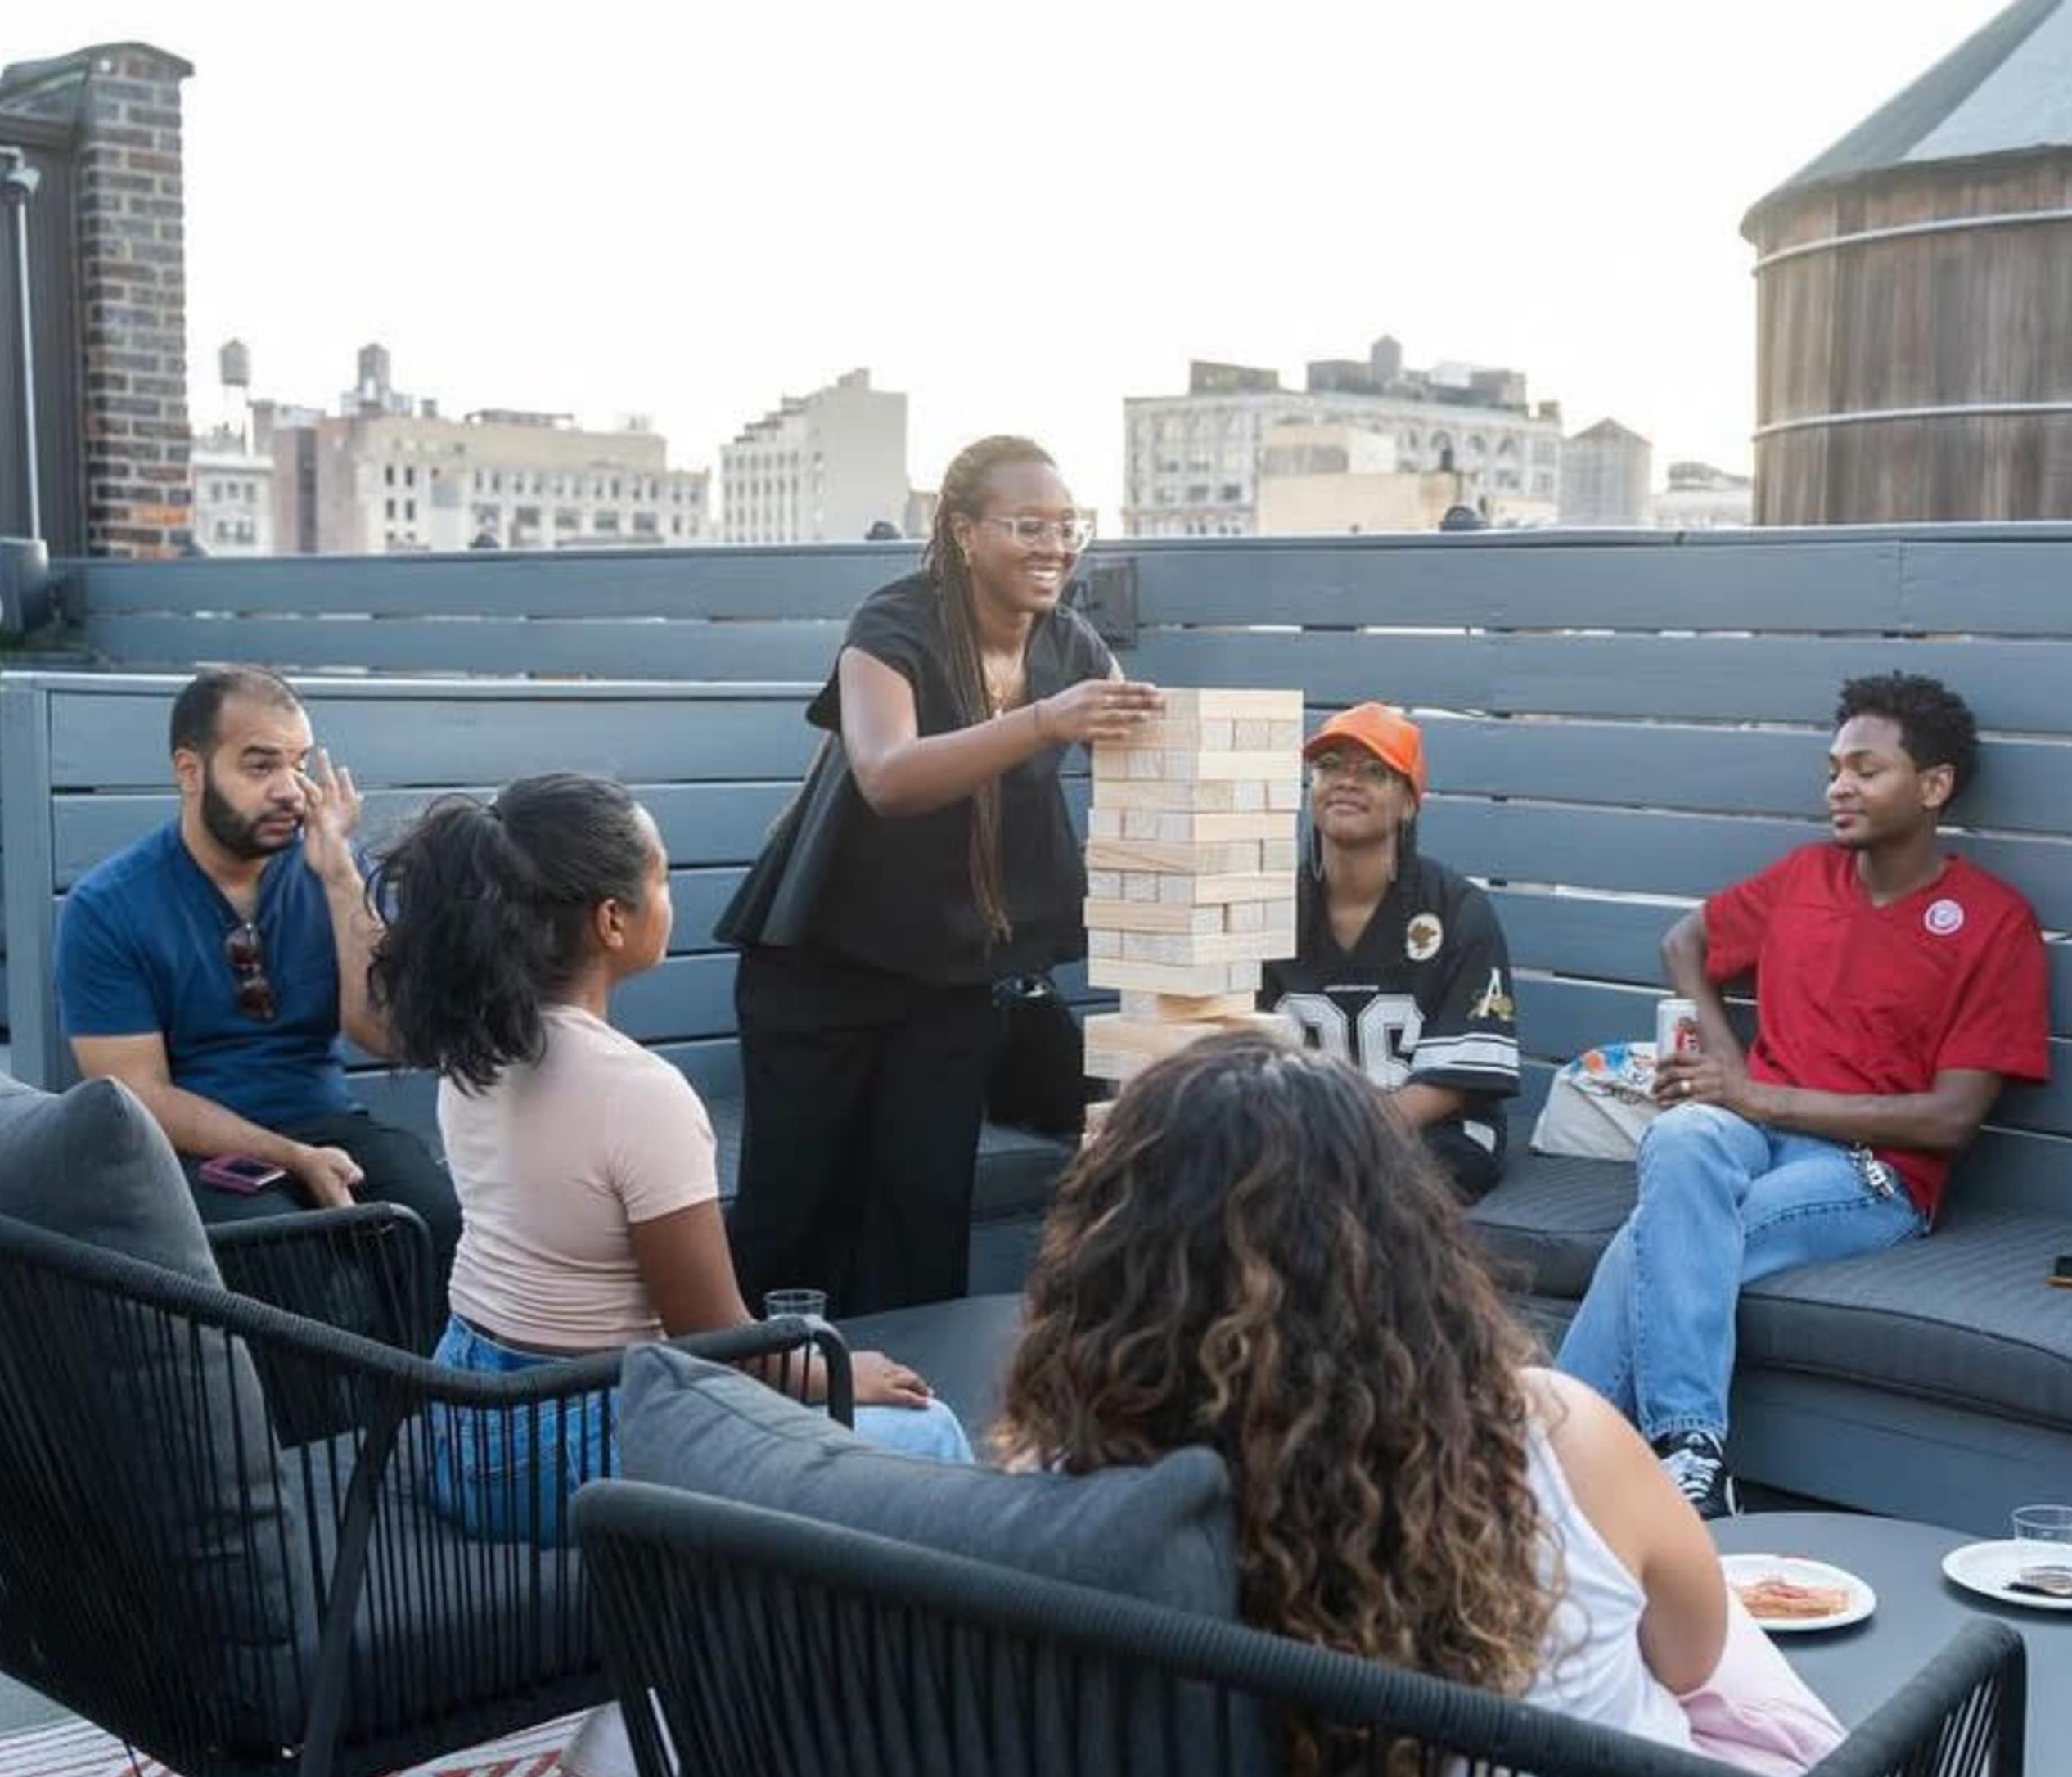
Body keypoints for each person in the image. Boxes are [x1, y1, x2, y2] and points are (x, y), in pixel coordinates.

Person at [996, 1035, 1844, 1777]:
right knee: (1710, 1639)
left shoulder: (1067, 1490)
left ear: (1106, 1256)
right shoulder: (1557, 1435)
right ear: (1405, 1238)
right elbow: (1692, 1658)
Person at [369, 772, 970, 1545]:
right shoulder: (640, 1095)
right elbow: (715, 1341)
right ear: (613, 921)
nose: (670, 894)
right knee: (930, 1433)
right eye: (661, 876)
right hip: (568, 1451)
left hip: (465, 1427)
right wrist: (842, 1375)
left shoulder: (475, 1052)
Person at [1556, 673, 2050, 1518]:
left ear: (1934, 787)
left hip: (1873, 1174)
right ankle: (1691, 1452)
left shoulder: (1992, 921)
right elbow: (1686, 940)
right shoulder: (1805, 878)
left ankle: (1547, 1459)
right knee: (1677, 1142)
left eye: (1866, 769)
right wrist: (1728, 1070)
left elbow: (1950, 1118)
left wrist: (1754, 1096)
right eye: (1832, 769)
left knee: (1661, 1234)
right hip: (1751, 1139)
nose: (1839, 787)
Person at [723, 435, 1164, 1316]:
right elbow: (888, 773)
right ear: (964, 532)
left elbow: (1152, 757)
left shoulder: (1071, 644)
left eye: (1069, 525)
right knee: (792, 1214)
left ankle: (901, 1420)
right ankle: (755, 1400)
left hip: (952, 977)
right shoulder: (893, 624)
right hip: (820, 969)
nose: (1055, 544)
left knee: (922, 1220)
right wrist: (1043, 722)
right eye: (1028, 524)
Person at [56, 666, 462, 1270]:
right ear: (190, 771)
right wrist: (294, 1157)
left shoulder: (331, 870)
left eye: (298, 764)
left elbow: (388, 1035)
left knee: (439, 1221)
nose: (291, 791)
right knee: (283, 1259)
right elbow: (140, 1096)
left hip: (328, 1124)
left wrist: (342, 878)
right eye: (260, 766)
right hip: (192, 1153)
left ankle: (424, 1370)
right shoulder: (107, 905)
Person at [1257, 701, 1520, 1198]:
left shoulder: (1459, 910)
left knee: (1379, 1184)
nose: (1346, 781)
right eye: (1329, 766)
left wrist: (1348, 1136)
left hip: (1431, 1134)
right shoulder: (1269, 909)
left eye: (1374, 772)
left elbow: (1457, 1082)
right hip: (1304, 1133)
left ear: (1409, 802)